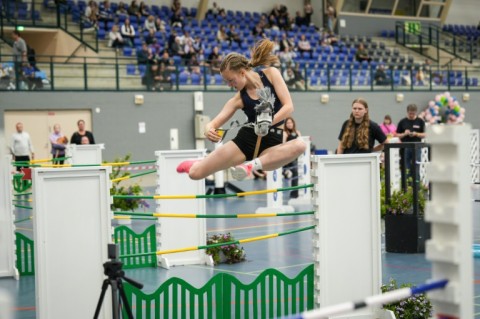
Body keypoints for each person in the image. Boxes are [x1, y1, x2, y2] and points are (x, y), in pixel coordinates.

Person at [176, 39, 306, 181]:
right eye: (227, 82)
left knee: (300, 145)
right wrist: (209, 130)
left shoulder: (271, 74)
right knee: (195, 174)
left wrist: (267, 122)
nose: (230, 85)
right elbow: (212, 124)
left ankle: (250, 166)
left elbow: (289, 107)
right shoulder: (238, 99)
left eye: (231, 80)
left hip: (271, 146)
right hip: (245, 142)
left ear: (243, 73)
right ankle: (198, 163)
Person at [396, 104, 426, 182]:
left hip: (416, 146)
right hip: (405, 147)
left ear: (416, 112)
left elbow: (425, 134)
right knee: (406, 167)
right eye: (410, 113)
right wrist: (404, 134)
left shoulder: (420, 121)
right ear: (407, 112)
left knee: (416, 166)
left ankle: (417, 186)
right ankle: (407, 187)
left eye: (413, 113)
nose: (411, 115)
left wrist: (416, 134)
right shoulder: (402, 122)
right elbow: (396, 134)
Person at [283, 117, 301, 198]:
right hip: (288, 156)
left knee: (295, 174)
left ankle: (294, 193)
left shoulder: (297, 132)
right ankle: (285, 172)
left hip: (295, 156)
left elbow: (301, 142)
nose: (289, 124)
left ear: (293, 123)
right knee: (292, 172)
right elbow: (283, 145)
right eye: (287, 123)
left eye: (291, 123)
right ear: (286, 125)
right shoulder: (285, 133)